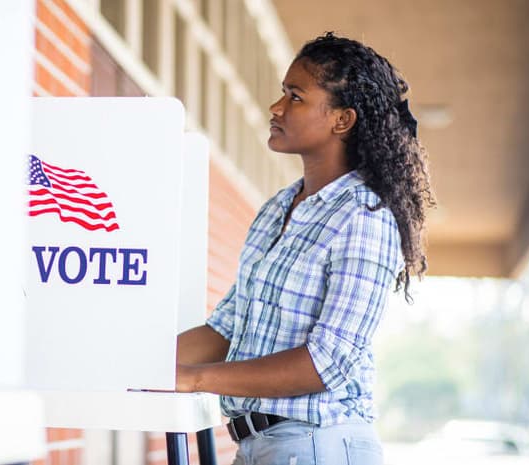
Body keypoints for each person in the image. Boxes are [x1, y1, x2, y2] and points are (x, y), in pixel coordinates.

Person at [174, 32, 435, 465]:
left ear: (342, 120)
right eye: (283, 93)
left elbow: (324, 363)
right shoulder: (277, 209)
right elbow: (226, 329)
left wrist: (194, 379)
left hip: (318, 445)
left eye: (296, 97)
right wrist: (139, 364)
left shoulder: (365, 218)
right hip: (259, 446)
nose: (276, 108)